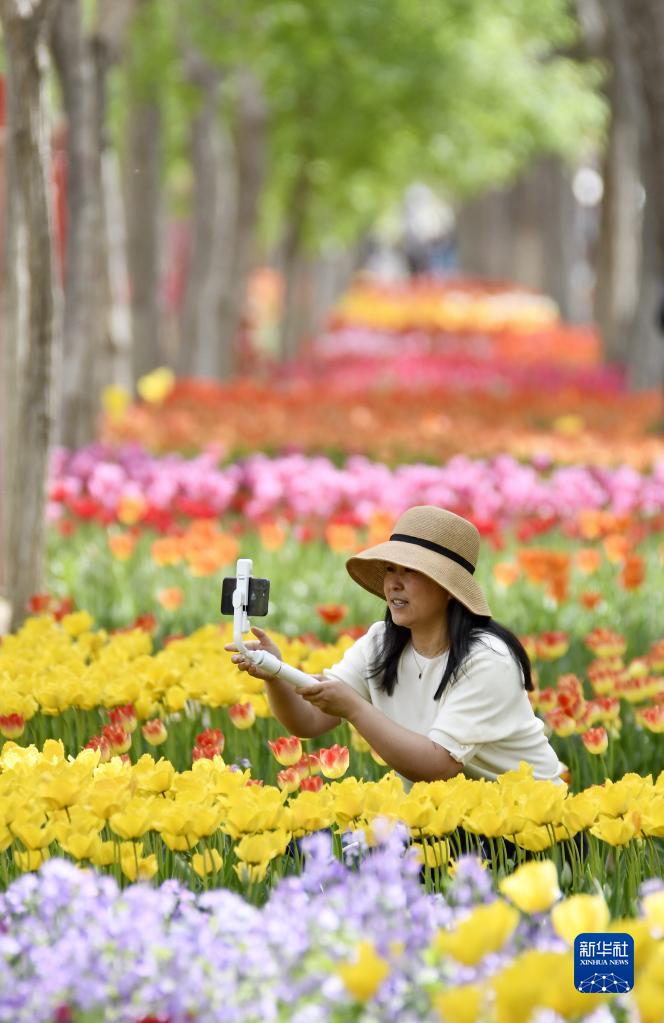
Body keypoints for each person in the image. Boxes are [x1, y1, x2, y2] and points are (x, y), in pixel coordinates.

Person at [228, 506, 564, 786]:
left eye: (411, 571)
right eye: (390, 569)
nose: (394, 583)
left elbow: (438, 765)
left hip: (529, 826)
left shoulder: (487, 660)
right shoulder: (380, 642)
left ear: (450, 588)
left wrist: (355, 709)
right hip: (446, 819)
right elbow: (310, 721)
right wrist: (274, 674)